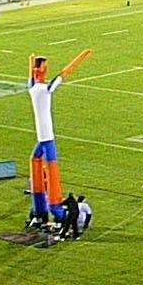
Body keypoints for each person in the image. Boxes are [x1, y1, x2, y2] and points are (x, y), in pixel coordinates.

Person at [25, 49, 92, 231]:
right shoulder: (43, 87)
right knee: (36, 160)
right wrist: (81, 56)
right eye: (43, 67)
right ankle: (43, 210)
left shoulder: (36, 87)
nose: (44, 70)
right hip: (45, 138)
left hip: (45, 137)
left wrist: (31, 61)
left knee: (38, 161)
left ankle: (50, 209)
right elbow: (65, 72)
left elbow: (57, 73)